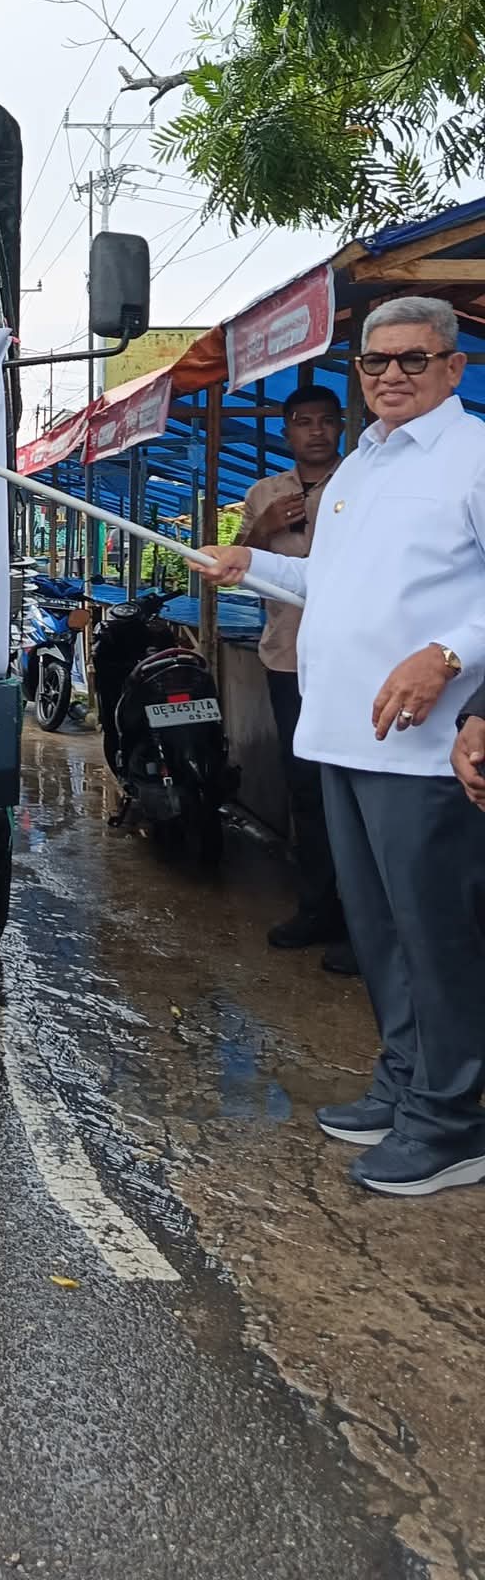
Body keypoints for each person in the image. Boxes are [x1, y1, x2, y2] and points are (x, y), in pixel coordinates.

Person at [202, 297, 485, 1197]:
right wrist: (254, 564)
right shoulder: (361, 465)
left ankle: (453, 1121)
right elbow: (329, 581)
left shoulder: (473, 457)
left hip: (422, 748)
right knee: (379, 934)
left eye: (412, 359)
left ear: (454, 368)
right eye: (375, 362)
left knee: (435, 936)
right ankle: (404, 1084)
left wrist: (449, 655)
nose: (391, 375)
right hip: (342, 737)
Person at [234, 385, 355, 974]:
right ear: (286, 432)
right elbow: (236, 565)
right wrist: (263, 528)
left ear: (341, 427)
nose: (315, 432)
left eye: (325, 421)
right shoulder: (263, 493)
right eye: (303, 422)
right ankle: (316, 909)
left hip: (355, 661)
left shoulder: (363, 483)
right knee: (305, 787)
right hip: (288, 659)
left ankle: (364, 923)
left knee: (357, 789)